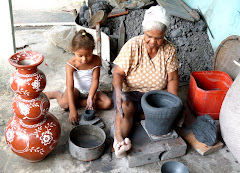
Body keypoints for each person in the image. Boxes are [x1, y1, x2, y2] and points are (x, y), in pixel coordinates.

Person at [112, 5, 179, 158]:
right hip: (131, 93)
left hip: (155, 95)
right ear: (144, 31)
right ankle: (119, 141)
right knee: (125, 108)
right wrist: (117, 93)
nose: (153, 41)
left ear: (164, 35)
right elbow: (118, 73)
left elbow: (173, 79)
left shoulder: (169, 50)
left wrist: (172, 103)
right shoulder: (133, 45)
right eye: (149, 36)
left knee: (164, 115)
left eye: (158, 38)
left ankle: (140, 116)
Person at [45, 29, 112, 125]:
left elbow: (95, 80)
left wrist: (90, 97)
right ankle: (58, 94)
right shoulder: (71, 65)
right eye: (80, 55)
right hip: (76, 89)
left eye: (88, 55)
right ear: (74, 51)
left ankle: (78, 102)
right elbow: (70, 86)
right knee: (64, 104)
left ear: (92, 50)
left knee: (107, 103)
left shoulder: (96, 60)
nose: (84, 59)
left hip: (90, 90)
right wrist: (72, 110)